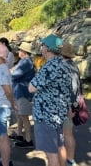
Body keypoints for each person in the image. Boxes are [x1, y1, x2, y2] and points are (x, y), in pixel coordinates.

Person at [28, 34, 72, 166]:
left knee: (51, 154)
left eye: (42, 45)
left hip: (46, 116)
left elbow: (31, 88)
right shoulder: (64, 65)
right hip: (58, 115)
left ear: (47, 48)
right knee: (59, 146)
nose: (41, 48)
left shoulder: (49, 67)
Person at [11, 42, 35, 148]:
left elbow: (15, 75)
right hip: (21, 91)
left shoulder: (25, 62)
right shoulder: (26, 61)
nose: (18, 52)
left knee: (23, 116)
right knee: (20, 115)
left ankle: (28, 140)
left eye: (20, 50)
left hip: (22, 92)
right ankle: (20, 135)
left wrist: (8, 72)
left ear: (24, 52)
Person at [61, 43, 81, 166]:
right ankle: (70, 159)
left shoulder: (64, 67)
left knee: (66, 134)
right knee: (68, 134)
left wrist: (71, 106)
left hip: (66, 105)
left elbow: (72, 88)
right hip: (72, 103)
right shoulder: (74, 66)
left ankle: (69, 161)